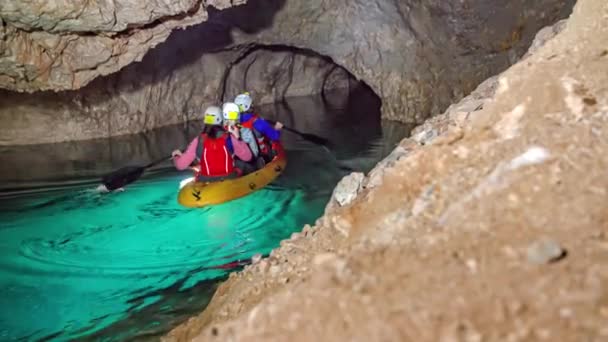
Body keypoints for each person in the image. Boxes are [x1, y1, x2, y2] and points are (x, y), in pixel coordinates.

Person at [172, 106, 252, 181]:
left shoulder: (198, 140)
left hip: (205, 179)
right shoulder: (230, 138)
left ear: (205, 120)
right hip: (229, 177)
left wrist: (176, 156)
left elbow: (180, 166)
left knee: (198, 165)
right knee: (241, 163)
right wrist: (238, 138)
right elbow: (248, 157)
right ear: (221, 120)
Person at [234, 92, 283, 162]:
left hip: (242, 156)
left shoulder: (233, 123)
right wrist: (277, 129)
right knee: (273, 142)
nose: (253, 105)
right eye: (251, 104)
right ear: (248, 106)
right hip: (261, 156)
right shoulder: (260, 123)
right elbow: (275, 137)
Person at [221, 102, 259, 173]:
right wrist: (238, 138)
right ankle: (256, 162)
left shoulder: (220, 129)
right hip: (235, 162)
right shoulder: (237, 129)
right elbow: (248, 157)